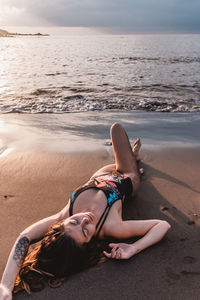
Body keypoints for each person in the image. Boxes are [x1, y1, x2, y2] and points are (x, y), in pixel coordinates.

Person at [0, 123, 171, 299]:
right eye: (85, 231)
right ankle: (133, 163)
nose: (85, 220)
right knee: (116, 129)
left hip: (104, 173)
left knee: (117, 139)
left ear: (62, 223)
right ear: (89, 242)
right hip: (126, 176)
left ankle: (132, 157)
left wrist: (6, 285)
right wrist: (134, 248)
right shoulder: (110, 226)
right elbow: (162, 225)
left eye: (74, 221)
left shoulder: (64, 215)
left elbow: (24, 237)